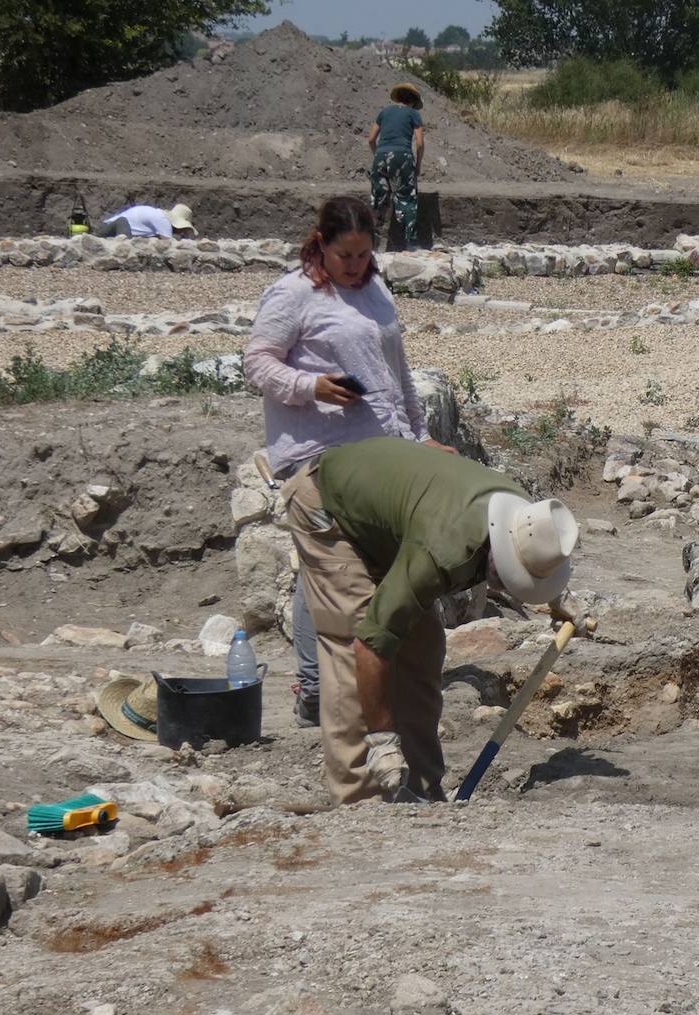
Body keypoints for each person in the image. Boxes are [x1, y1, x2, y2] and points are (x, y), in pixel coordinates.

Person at [244, 195, 451, 729]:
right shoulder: (294, 294)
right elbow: (257, 363)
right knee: (328, 569)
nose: (355, 266)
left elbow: (397, 372)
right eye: (345, 256)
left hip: (382, 452)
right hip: (322, 453)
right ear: (321, 244)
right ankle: (318, 688)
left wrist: (420, 435)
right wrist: (310, 385)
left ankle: (374, 675)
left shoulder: (377, 290)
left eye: (363, 255)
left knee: (356, 566)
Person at [281, 436, 579, 805]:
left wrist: (556, 598)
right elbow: (369, 645)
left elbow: (532, 555)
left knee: (423, 647)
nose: (511, 588)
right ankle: (360, 801)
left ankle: (422, 790)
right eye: (512, 578)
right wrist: (382, 740)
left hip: (394, 519)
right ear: (496, 554)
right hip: (327, 506)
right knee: (352, 644)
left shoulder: (525, 518)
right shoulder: (444, 552)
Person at [367, 82, 425, 251]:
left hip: (381, 156)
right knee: (407, 198)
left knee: (378, 198)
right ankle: (411, 244)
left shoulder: (384, 112)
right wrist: (418, 165)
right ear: (413, 101)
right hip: (402, 157)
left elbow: (371, 139)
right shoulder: (413, 114)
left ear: (398, 97)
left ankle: (371, 244)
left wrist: (379, 156)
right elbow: (420, 144)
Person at [94, 203, 195, 239]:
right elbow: (169, 245)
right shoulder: (164, 221)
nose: (181, 233)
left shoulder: (159, 216)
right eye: (183, 230)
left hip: (111, 226)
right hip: (118, 225)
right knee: (125, 244)